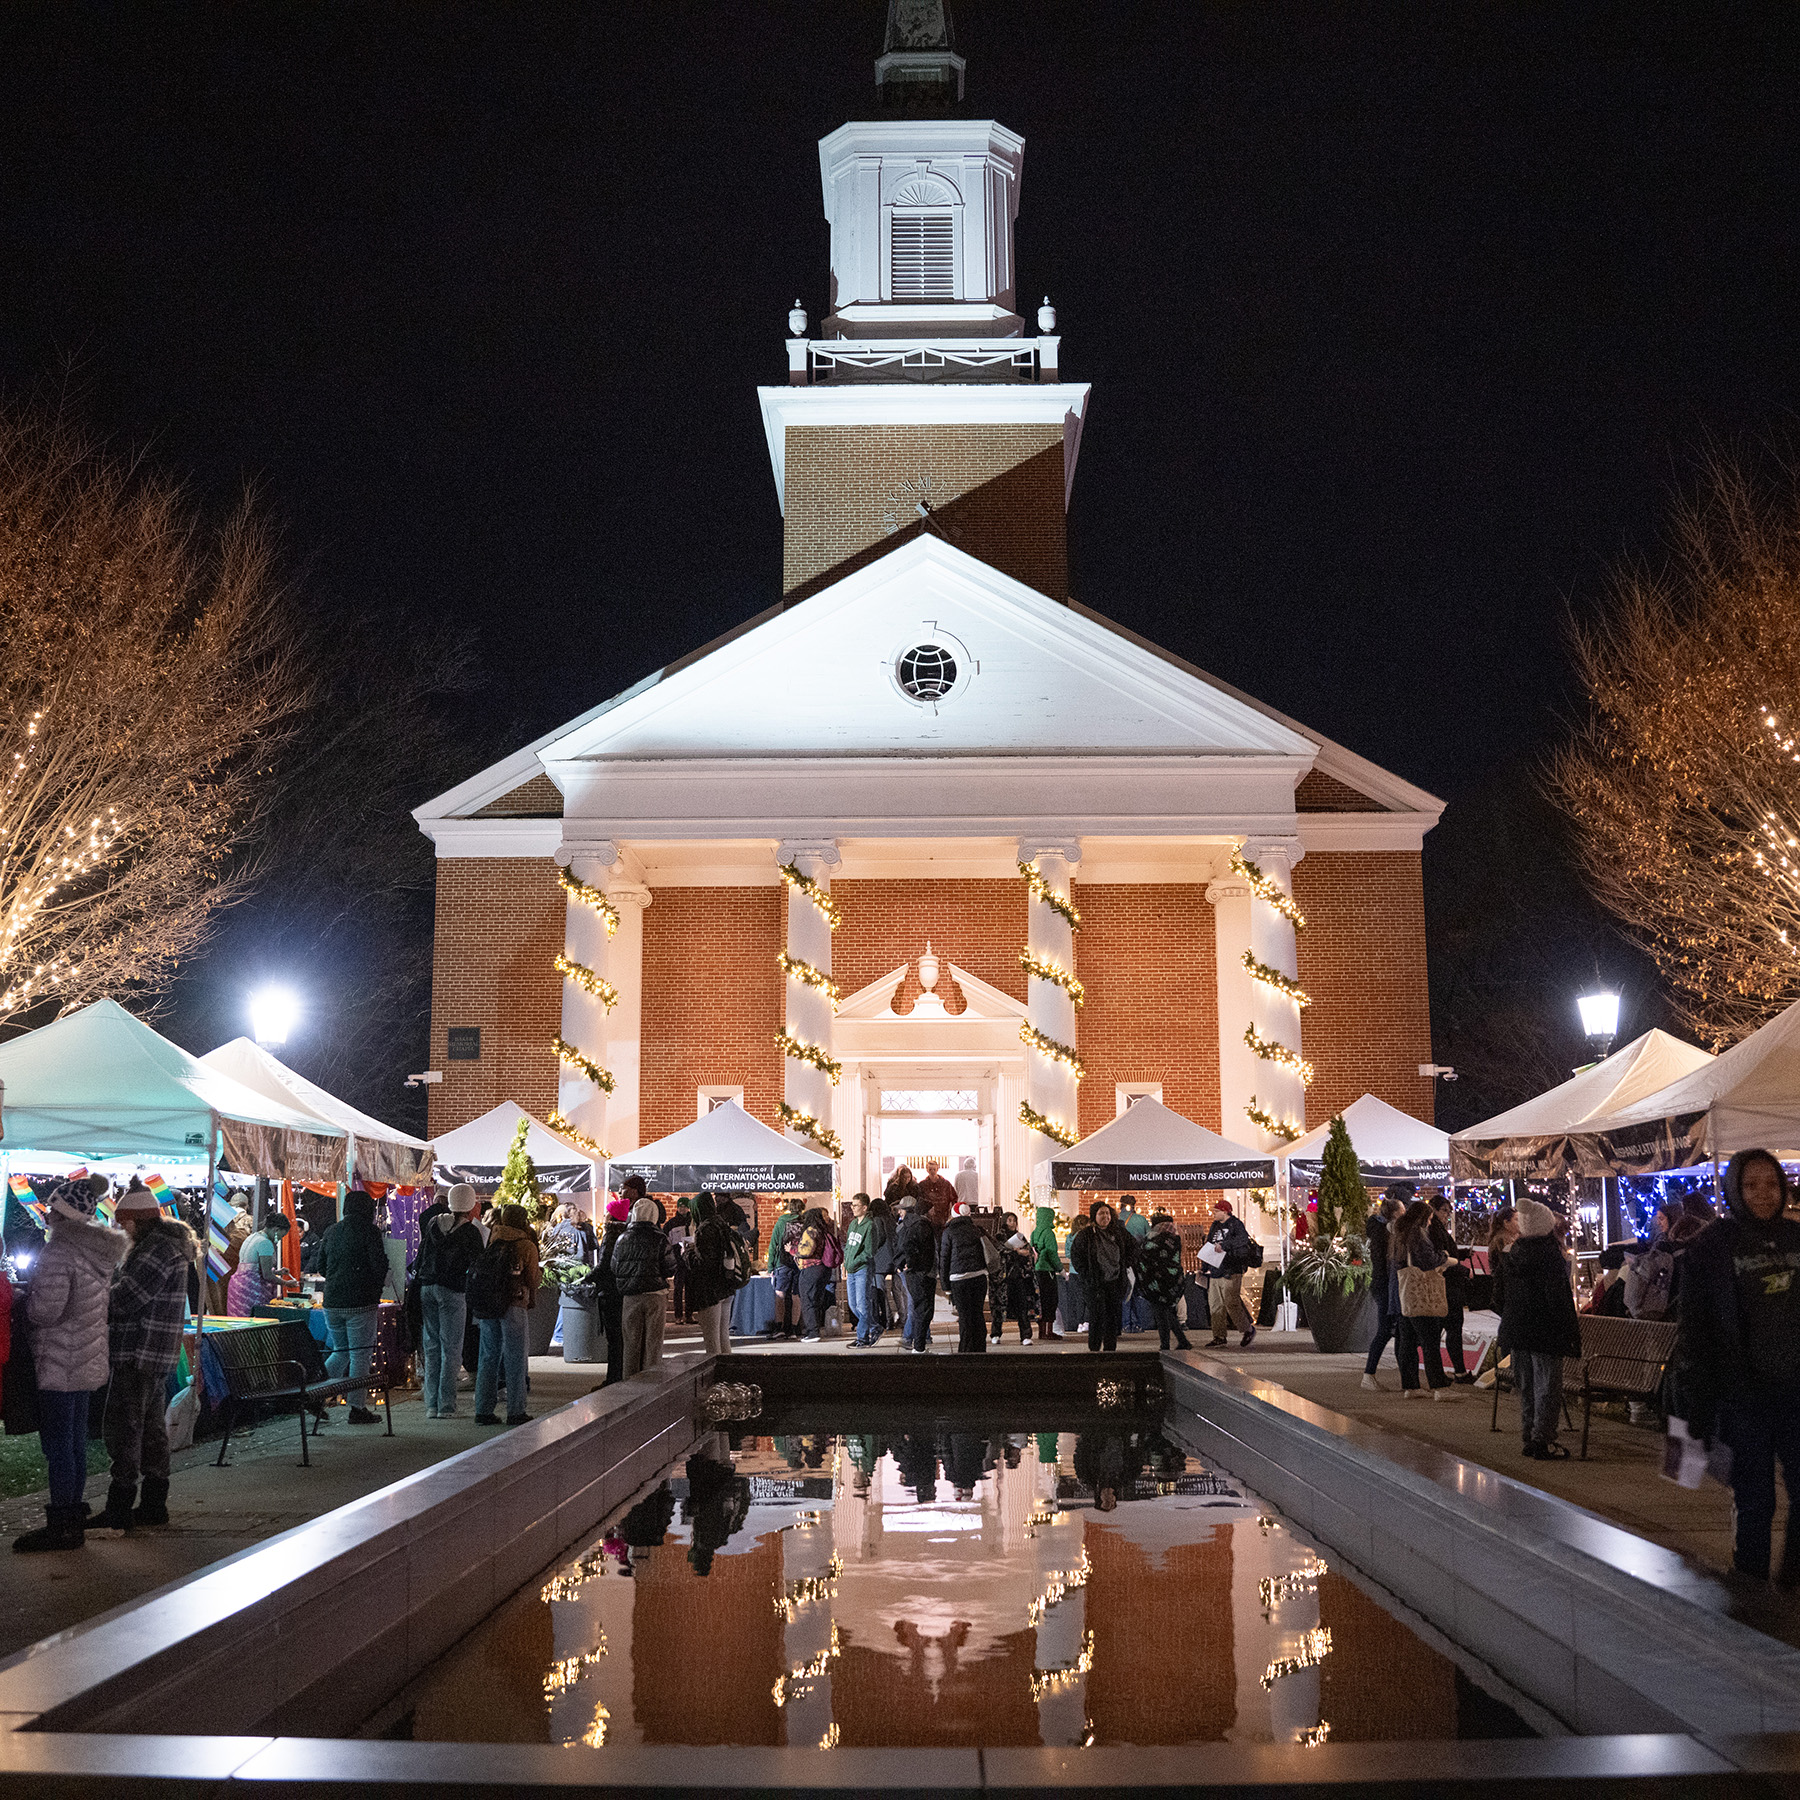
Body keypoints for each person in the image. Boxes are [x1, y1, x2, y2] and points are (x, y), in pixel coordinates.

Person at [1672, 1149, 1800, 1582]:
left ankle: (1791, 1582)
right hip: (1744, 1393)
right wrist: (1699, 1396)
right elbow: (1696, 1326)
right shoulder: (1713, 1245)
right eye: (1751, 1185)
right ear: (1734, 1190)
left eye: (1771, 1184)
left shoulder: (1795, 1238)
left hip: (1795, 1390)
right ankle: (1751, 1588)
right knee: (1756, 1496)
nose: (1763, 1194)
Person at [14, 1176, 124, 1554]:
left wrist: (24, 1300)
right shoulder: (97, 1253)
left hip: (59, 1359)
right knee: (74, 1441)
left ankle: (62, 1523)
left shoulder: (59, 1253)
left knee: (58, 1445)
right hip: (86, 1357)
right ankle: (71, 1517)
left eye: (51, 1210)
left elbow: (46, 1312)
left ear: (62, 1214)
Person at [93, 1183, 197, 1531]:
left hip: (139, 1350)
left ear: (137, 1221)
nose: (120, 1230)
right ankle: (154, 1504)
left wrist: (98, 1291)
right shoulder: (167, 1248)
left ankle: (120, 1505)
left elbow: (126, 1299)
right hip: (154, 1352)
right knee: (152, 1430)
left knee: (124, 1428)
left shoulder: (155, 1252)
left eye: (123, 1223)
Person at [1501, 1197, 1580, 1456]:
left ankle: (1529, 1435)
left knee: (1528, 1386)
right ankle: (1542, 1439)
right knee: (1548, 1386)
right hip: (1546, 1329)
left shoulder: (1515, 1253)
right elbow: (1559, 1298)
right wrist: (1569, 1332)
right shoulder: (1550, 1256)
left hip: (1519, 1329)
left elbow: (1504, 1295)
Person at [316, 1192, 390, 1425]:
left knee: (341, 1351)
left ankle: (315, 1393)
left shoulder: (331, 1231)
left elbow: (321, 1267)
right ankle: (357, 1408)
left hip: (332, 1301)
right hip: (360, 1302)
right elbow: (378, 1265)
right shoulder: (370, 1232)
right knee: (360, 1354)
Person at [416, 1183, 483, 1418]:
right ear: (471, 1204)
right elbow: (477, 1265)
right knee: (452, 1348)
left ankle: (431, 1405)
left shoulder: (434, 1224)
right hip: (453, 1290)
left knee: (431, 1346)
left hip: (427, 1287)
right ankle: (447, 1405)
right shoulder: (471, 1232)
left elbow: (421, 1255)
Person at [472, 1202, 541, 1423]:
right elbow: (532, 1279)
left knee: (488, 1356)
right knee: (515, 1357)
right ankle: (516, 1410)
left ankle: (483, 1410)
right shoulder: (526, 1245)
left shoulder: (492, 1239)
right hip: (514, 1303)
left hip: (490, 1303)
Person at [1390, 1198, 1457, 1399]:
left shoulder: (1399, 1236)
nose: (1430, 1223)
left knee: (1408, 1341)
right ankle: (1439, 1386)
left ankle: (1411, 1385)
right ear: (1421, 1218)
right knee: (1430, 1340)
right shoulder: (1417, 1235)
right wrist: (1445, 1258)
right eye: (1428, 1219)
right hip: (1421, 1294)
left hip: (1405, 1294)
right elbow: (1427, 1261)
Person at [612, 1196, 676, 1377]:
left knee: (631, 1342)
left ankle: (629, 1380)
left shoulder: (622, 1239)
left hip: (630, 1295)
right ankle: (651, 1379)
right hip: (655, 1294)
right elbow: (670, 1267)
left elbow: (614, 1267)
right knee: (653, 1342)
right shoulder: (660, 1238)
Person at [1069, 1201, 1136, 1353]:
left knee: (1112, 1317)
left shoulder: (1118, 1232)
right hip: (1095, 1283)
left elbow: (1133, 1247)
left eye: (1107, 1213)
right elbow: (1077, 1256)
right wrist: (1087, 1274)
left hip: (1115, 1281)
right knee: (1097, 1317)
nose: (1105, 1216)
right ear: (1094, 1216)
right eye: (1101, 1213)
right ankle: (1094, 1349)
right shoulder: (1086, 1235)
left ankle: (1110, 1349)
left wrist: (1126, 1263)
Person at [1428, 1193, 1477, 1382]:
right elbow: (1443, 1257)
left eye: (1449, 1211)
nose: (1447, 1215)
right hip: (1447, 1285)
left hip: (1448, 1284)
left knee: (1449, 1328)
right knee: (1452, 1328)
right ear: (1434, 1209)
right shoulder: (1435, 1230)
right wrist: (1464, 1271)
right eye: (1444, 1211)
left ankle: (1453, 1370)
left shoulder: (1438, 1229)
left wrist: (1463, 1253)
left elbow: (1449, 1253)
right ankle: (1458, 1371)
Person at [1361, 1192, 1405, 1390]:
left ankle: (1406, 1378)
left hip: (1384, 1285)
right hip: (1385, 1286)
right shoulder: (1386, 1234)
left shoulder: (1383, 1232)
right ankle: (1369, 1374)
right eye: (1403, 1211)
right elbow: (1385, 1263)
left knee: (1396, 1331)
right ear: (1395, 1214)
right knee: (1386, 1330)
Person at [1202, 1200, 1258, 1348]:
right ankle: (1219, 1336)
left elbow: (1242, 1240)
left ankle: (1247, 1329)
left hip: (1231, 1269)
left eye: (1216, 1211)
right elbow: (1209, 1244)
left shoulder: (1236, 1224)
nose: (1213, 1214)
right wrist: (1204, 1266)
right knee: (1215, 1304)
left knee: (1231, 1302)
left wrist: (1224, 1246)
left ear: (1225, 1211)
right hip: (1216, 1269)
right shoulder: (1215, 1226)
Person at [938, 1200, 992, 1354]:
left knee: (965, 1315)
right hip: (979, 1277)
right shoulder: (977, 1229)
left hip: (959, 1279)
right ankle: (980, 1348)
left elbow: (944, 1259)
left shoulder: (948, 1232)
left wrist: (945, 1286)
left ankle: (966, 1349)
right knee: (977, 1313)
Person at [686, 1192, 736, 1357]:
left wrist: (687, 1253)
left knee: (712, 1341)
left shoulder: (704, 1229)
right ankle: (728, 1376)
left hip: (710, 1290)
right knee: (723, 1337)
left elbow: (703, 1264)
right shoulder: (721, 1223)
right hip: (726, 1286)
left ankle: (717, 1379)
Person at [1140, 1211, 1192, 1350]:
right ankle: (1182, 1341)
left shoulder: (1159, 1239)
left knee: (1161, 1314)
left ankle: (1165, 1344)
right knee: (1167, 1312)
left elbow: (1147, 1254)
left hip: (1159, 1283)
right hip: (1172, 1281)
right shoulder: (1175, 1238)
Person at [226, 1208, 294, 1316]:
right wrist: (286, 1283)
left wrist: (277, 1272)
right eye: (282, 1235)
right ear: (276, 1229)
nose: (280, 1239)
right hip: (251, 1289)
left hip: (238, 1286)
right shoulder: (265, 1243)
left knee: (238, 1323)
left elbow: (252, 1267)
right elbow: (266, 1275)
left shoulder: (252, 1237)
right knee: (253, 1323)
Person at [894, 1192, 939, 1353]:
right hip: (922, 1273)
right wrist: (911, 1264)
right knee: (923, 1309)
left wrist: (902, 1264)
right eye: (932, 1210)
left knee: (920, 1308)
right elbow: (910, 1247)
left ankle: (918, 1343)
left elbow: (902, 1246)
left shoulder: (909, 1225)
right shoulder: (921, 1225)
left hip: (917, 1272)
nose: (934, 1213)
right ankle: (918, 1346)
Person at [595, 1195, 630, 1386]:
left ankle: (613, 1377)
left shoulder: (610, 1236)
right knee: (620, 1338)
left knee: (613, 1338)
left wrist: (589, 1277)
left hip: (609, 1291)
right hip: (621, 1290)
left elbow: (604, 1265)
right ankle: (619, 1374)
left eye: (608, 1212)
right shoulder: (625, 1234)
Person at [792, 1206, 839, 1342]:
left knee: (807, 1300)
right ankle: (816, 1329)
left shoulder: (811, 1231)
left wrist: (793, 1251)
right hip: (823, 1269)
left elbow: (806, 1251)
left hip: (811, 1269)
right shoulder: (824, 1231)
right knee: (816, 1300)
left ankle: (812, 1333)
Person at [763, 1196, 804, 1341]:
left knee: (780, 1295)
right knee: (796, 1297)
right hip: (799, 1263)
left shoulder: (781, 1222)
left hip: (783, 1264)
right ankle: (793, 1329)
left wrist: (770, 1266)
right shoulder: (805, 1222)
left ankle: (779, 1328)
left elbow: (774, 1244)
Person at [844, 1194, 881, 1347]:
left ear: (864, 1207)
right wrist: (846, 1261)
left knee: (861, 1304)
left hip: (862, 1269)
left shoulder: (870, 1225)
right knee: (853, 1304)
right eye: (852, 1205)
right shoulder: (853, 1224)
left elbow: (869, 1251)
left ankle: (863, 1337)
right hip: (851, 1269)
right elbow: (848, 1245)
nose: (853, 1208)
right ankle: (874, 1327)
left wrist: (856, 1260)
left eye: (856, 1205)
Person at [992, 1211, 1034, 1345]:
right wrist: (1015, 1251)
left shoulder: (1020, 1237)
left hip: (1018, 1276)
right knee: (999, 1306)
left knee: (1022, 1306)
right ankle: (995, 1333)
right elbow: (998, 1251)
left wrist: (1026, 1254)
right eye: (1009, 1220)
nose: (1012, 1223)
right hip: (1003, 1279)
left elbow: (1028, 1253)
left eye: (1014, 1220)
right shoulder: (999, 1237)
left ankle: (1026, 1335)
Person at [1031, 1205, 1065, 1340]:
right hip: (1047, 1271)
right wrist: (1060, 1269)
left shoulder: (1034, 1232)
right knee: (1050, 1300)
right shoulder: (1048, 1233)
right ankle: (1049, 1331)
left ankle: (1041, 1332)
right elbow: (1052, 1253)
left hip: (1037, 1270)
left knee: (1040, 1302)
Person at [667, 1202, 694, 1324]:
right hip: (678, 1260)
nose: (683, 1209)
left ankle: (689, 1315)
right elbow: (667, 1241)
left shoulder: (693, 1222)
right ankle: (678, 1316)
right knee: (678, 1289)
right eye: (681, 1206)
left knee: (690, 1289)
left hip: (691, 1260)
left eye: (685, 1206)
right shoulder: (671, 1223)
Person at [918, 1159, 958, 1229]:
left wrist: (952, 1214)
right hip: (928, 1218)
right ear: (927, 1170)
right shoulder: (922, 1185)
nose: (932, 1171)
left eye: (934, 1169)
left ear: (937, 1169)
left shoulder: (945, 1184)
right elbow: (919, 1199)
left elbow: (954, 1198)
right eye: (930, 1169)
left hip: (943, 1217)